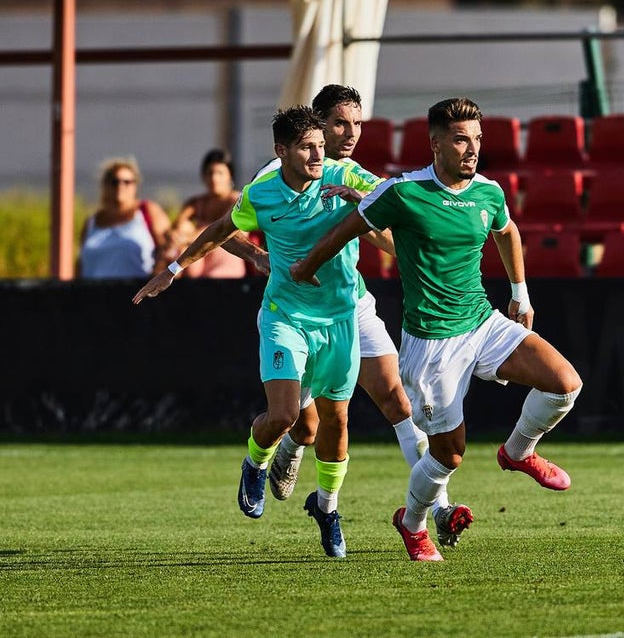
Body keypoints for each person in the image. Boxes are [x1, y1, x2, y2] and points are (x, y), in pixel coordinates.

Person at [290, 96, 583, 563]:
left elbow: (507, 233)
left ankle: (517, 452)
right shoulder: (403, 193)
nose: (472, 149)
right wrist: (306, 267)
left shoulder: (488, 192)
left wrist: (520, 294)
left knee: (565, 385)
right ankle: (412, 523)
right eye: (461, 139)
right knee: (448, 455)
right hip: (431, 343)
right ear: (435, 144)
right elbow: (343, 231)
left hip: (483, 322)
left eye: (478, 140)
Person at [133, 105, 380, 558]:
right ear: (280, 151)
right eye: (308, 147)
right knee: (285, 416)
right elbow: (222, 229)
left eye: (321, 146)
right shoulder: (262, 192)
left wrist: (365, 202)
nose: (318, 155)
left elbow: (394, 207)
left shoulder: (346, 177)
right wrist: (173, 269)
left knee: (335, 421)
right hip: (285, 316)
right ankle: (256, 461)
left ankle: (327, 508)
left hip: (340, 318)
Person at [260, 84, 473, 550]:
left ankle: (436, 506)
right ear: (314, 123)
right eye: (340, 123)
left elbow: (387, 223)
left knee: (398, 401)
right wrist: (260, 260)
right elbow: (228, 229)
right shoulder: (275, 175)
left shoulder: (354, 175)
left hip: (352, 304)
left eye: (358, 123)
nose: (351, 133)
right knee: (307, 424)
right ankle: (292, 448)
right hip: (297, 312)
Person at [79, 157, 171, 279]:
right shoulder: (91, 222)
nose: (120, 186)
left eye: (127, 182)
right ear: (105, 185)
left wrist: (156, 279)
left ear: (135, 186)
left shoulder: (147, 211)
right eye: (114, 182)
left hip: (136, 293)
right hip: (93, 293)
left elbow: (169, 249)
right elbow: (80, 264)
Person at [166, 149, 246, 278]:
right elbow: (175, 227)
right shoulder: (197, 203)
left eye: (220, 173)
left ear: (230, 176)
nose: (214, 178)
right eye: (210, 173)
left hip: (226, 271)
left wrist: (186, 239)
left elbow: (219, 229)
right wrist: (175, 237)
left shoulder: (237, 200)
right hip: (199, 271)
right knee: (184, 227)